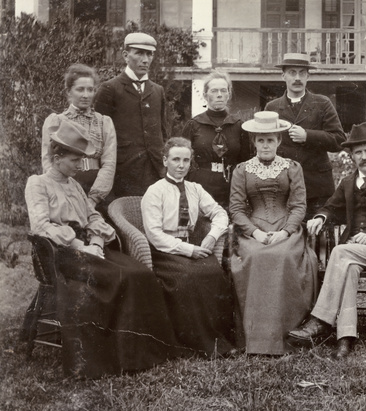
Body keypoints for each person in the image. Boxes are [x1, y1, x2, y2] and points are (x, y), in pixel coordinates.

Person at [24, 120, 180, 378]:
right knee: (123, 277)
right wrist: (80, 246)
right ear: (57, 157)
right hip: (61, 254)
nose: (80, 167)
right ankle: (121, 355)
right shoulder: (38, 183)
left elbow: (94, 217)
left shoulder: (74, 185)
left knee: (140, 272)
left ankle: (141, 352)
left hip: (89, 247)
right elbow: (40, 225)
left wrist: (96, 242)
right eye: (75, 160)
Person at [288, 122, 366, 359]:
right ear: (352, 156)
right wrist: (321, 217)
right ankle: (346, 337)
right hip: (354, 253)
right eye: (358, 152)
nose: (364, 157)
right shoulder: (348, 183)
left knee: (341, 253)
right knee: (349, 267)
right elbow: (332, 207)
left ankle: (320, 320)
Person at [229, 111, 318, 355]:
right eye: (260, 140)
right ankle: (256, 339)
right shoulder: (242, 170)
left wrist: (286, 231)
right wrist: (255, 232)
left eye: (270, 140)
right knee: (257, 256)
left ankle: (286, 335)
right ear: (254, 142)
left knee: (285, 257)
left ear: (279, 141)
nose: (265, 145)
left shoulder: (292, 168)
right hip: (253, 230)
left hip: (286, 229)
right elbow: (236, 208)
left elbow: (299, 205)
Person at [141, 137, 235, 357]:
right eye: (175, 159)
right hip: (166, 251)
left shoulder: (195, 189)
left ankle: (218, 339)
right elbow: (154, 235)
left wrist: (211, 237)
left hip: (194, 244)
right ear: (165, 161)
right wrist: (189, 250)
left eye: (186, 160)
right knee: (188, 277)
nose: (181, 165)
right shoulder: (154, 192)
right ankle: (196, 343)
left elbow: (220, 213)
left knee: (213, 272)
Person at [264, 52, 345, 219]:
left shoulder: (322, 103)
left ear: (308, 76)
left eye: (302, 73)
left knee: (319, 238)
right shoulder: (272, 108)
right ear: (283, 75)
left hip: (317, 187)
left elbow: (339, 140)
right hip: (283, 187)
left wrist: (308, 135)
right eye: (292, 73)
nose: (297, 78)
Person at [95, 32, 168, 198]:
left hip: (155, 171)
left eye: (149, 54)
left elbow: (163, 132)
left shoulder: (157, 91)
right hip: (123, 172)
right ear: (125, 56)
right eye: (139, 53)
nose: (145, 59)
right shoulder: (110, 88)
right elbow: (98, 135)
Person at [41, 64, 117, 210]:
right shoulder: (55, 121)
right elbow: (48, 160)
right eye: (80, 89)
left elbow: (109, 163)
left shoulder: (104, 122)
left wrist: (93, 199)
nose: (86, 95)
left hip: (97, 189)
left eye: (90, 89)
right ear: (69, 92)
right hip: (65, 186)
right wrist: (61, 191)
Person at [181, 71, 251, 209]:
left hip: (230, 186)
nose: (219, 94)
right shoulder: (193, 125)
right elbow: (183, 158)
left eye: (223, 90)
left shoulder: (238, 125)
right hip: (201, 185)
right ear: (205, 95)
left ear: (228, 94)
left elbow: (245, 162)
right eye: (214, 91)